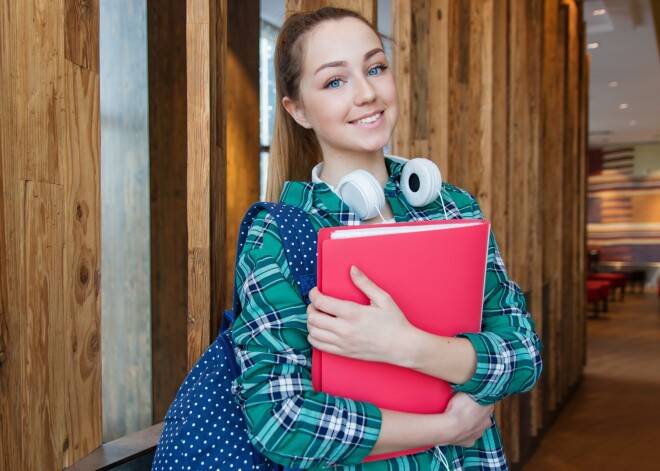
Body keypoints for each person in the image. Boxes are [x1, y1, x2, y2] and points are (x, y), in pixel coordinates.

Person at [231, 6, 542, 470]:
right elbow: (280, 421)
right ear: (297, 110)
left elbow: (524, 354)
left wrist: (406, 346)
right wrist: (448, 427)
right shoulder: (278, 234)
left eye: (375, 68)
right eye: (335, 81)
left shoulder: (453, 207)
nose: (367, 92)